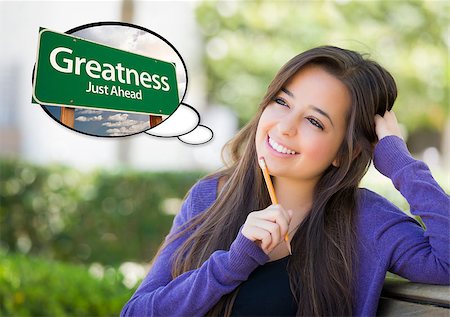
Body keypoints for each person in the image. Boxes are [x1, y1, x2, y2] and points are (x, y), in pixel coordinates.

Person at [120, 46, 449, 317]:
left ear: (343, 152)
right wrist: (233, 264)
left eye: (314, 121)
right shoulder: (210, 197)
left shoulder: (365, 220)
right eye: (281, 102)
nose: (285, 127)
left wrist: (400, 163)